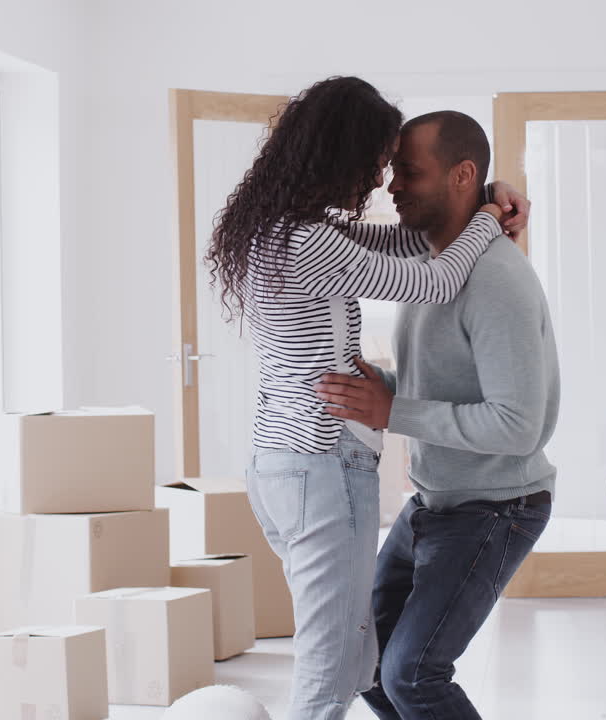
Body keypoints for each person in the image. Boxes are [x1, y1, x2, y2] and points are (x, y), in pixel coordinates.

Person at [205, 78, 530, 720]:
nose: (383, 180)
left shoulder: (273, 228)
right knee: (331, 675)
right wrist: (489, 219)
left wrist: (482, 199)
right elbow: (435, 278)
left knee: (353, 661)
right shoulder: (312, 240)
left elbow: (411, 241)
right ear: (344, 154)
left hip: (276, 463)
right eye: (381, 161)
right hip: (322, 464)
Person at [314, 110, 560, 720]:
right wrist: (389, 388)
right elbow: (452, 379)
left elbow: (516, 425)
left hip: (496, 506)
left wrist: (394, 409)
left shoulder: (496, 280)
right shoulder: (433, 262)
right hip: (438, 500)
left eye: (408, 173)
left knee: (414, 676)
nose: (392, 187)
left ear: (462, 175)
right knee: (366, 661)